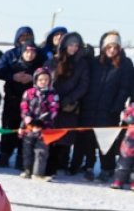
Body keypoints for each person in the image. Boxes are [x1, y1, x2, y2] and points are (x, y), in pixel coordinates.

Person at [73, 32, 134, 181]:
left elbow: (125, 87)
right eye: (109, 46)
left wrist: (117, 105)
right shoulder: (94, 62)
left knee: (107, 141)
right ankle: (88, 166)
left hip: (109, 109)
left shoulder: (125, 64)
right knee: (89, 138)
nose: (112, 50)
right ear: (103, 47)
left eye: (115, 47)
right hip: (90, 106)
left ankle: (107, 168)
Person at [44, 31, 89, 176]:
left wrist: (69, 100)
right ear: (64, 45)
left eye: (76, 45)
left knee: (65, 136)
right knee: (50, 135)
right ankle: (47, 164)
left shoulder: (82, 64)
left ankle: (61, 163)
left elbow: (83, 85)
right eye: (71, 45)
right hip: (51, 105)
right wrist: (52, 100)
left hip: (70, 105)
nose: (73, 48)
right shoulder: (53, 61)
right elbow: (45, 80)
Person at [0, 40, 44, 168]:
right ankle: (4, 155)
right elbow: (0, 71)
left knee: (26, 130)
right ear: (22, 52)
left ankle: (21, 158)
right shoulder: (14, 63)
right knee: (8, 128)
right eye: (27, 51)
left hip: (31, 105)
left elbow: (46, 77)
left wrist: (33, 78)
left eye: (32, 52)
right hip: (12, 100)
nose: (30, 54)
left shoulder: (39, 65)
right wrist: (13, 76)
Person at [18, 66, 60, 181]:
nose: (43, 82)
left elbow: (54, 109)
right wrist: (28, 119)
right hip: (29, 127)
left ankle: (37, 173)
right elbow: (24, 107)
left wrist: (43, 121)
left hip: (44, 128)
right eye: (41, 79)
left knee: (41, 151)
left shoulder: (52, 94)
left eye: (46, 79)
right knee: (27, 150)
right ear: (36, 80)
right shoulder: (29, 93)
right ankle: (27, 169)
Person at [109, 102, 134, 190]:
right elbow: (124, 114)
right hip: (130, 138)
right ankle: (118, 180)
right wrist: (130, 118)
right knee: (124, 160)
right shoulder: (132, 105)